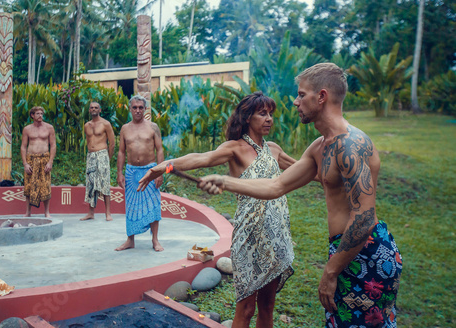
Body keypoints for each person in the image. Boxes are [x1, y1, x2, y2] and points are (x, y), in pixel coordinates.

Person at [199, 63, 403, 328]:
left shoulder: (351, 145)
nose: (296, 102)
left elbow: (363, 218)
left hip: (364, 251)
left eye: (301, 94)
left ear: (321, 96)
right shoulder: (320, 146)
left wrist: (331, 271)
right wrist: (225, 181)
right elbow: (276, 186)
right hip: (343, 249)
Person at [138, 92, 297, 328]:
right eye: (262, 113)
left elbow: (305, 170)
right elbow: (200, 158)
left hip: (276, 236)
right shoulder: (235, 148)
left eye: (270, 114)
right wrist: (162, 167)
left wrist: (335, 176)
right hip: (250, 236)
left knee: (267, 306)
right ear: (247, 117)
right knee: (245, 309)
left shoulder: (274, 149)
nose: (269, 119)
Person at [115, 95, 165, 252]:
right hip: (131, 173)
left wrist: (160, 172)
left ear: (145, 109)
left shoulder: (153, 127)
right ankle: (130, 240)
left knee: (153, 205)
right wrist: (119, 172)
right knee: (131, 206)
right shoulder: (124, 128)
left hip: (150, 171)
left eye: (140, 107)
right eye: (134, 107)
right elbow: (121, 152)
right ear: (130, 109)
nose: (137, 110)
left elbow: (160, 149)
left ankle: (155, 240)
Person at [80, 102, 116, 221]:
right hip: (91, 155)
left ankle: (108, 213)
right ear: (89, 110)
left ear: (100, 110)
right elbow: (89, 142)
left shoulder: (105, 124)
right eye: (91, 108)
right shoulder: (87, 125)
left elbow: (112, 143)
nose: (94, 109)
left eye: (96, 107)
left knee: (104, 183)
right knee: (90, 183)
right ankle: (91, 213)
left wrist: (107, 158)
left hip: (102, 154)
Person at [21, 106, 57, 218]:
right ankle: (28, 212)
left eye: (41, 113)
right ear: (32, 115)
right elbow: (23, 146)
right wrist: (25, 163)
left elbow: (53, 145)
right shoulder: (27, 129)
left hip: (44, 158)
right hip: (31, 159)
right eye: (37, 113)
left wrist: (50, 161)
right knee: (29, 186)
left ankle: (46, 212)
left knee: (45, 185)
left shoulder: (49, 128)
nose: (40, 115)